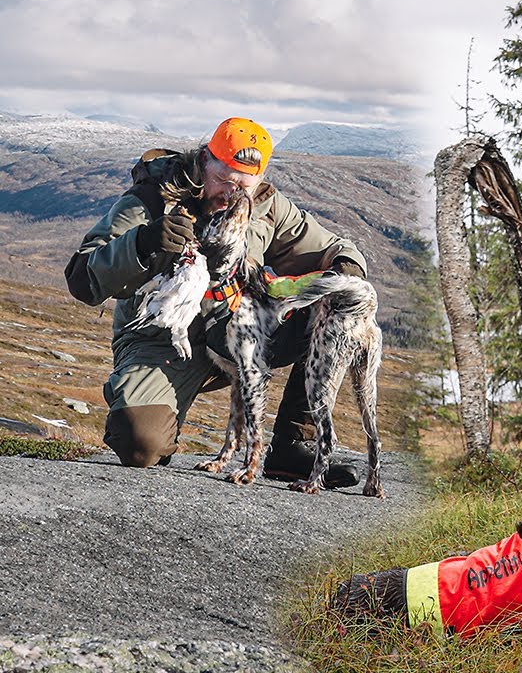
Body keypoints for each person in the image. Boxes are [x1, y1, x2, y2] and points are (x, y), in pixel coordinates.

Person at [65, 117, 368, 485]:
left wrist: (348, 268)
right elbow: (82, 280)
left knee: (338, 301)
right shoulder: (154, 197)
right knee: (139, 444)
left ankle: (293, 444)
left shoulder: (266, 205)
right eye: (223, 179)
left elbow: (334, 247)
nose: (230, 192)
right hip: (163, 343)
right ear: (204, 160)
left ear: (259, 179)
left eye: (243, 185)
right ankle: (144, 402)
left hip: (235, 333)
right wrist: (143, 242)